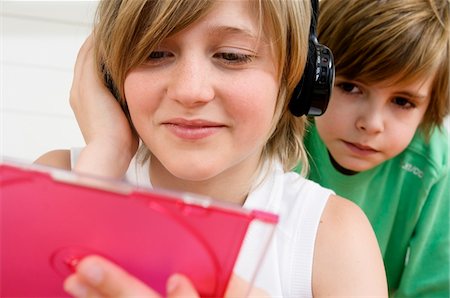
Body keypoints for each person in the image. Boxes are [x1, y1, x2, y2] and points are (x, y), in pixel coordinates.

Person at [36, 0, 388, 296]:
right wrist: (102, 165)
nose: (190, 91)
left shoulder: (334, 238)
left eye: (232, 56)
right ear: (110, 75)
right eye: (155, 53)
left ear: (298, 78)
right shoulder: (56, 181)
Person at [300, 0, 449, 296]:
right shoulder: (285, 133)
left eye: (402, 102)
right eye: (351, 87)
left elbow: (433, 288)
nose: (372, 123)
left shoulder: (435, 163)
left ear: (429, 107)